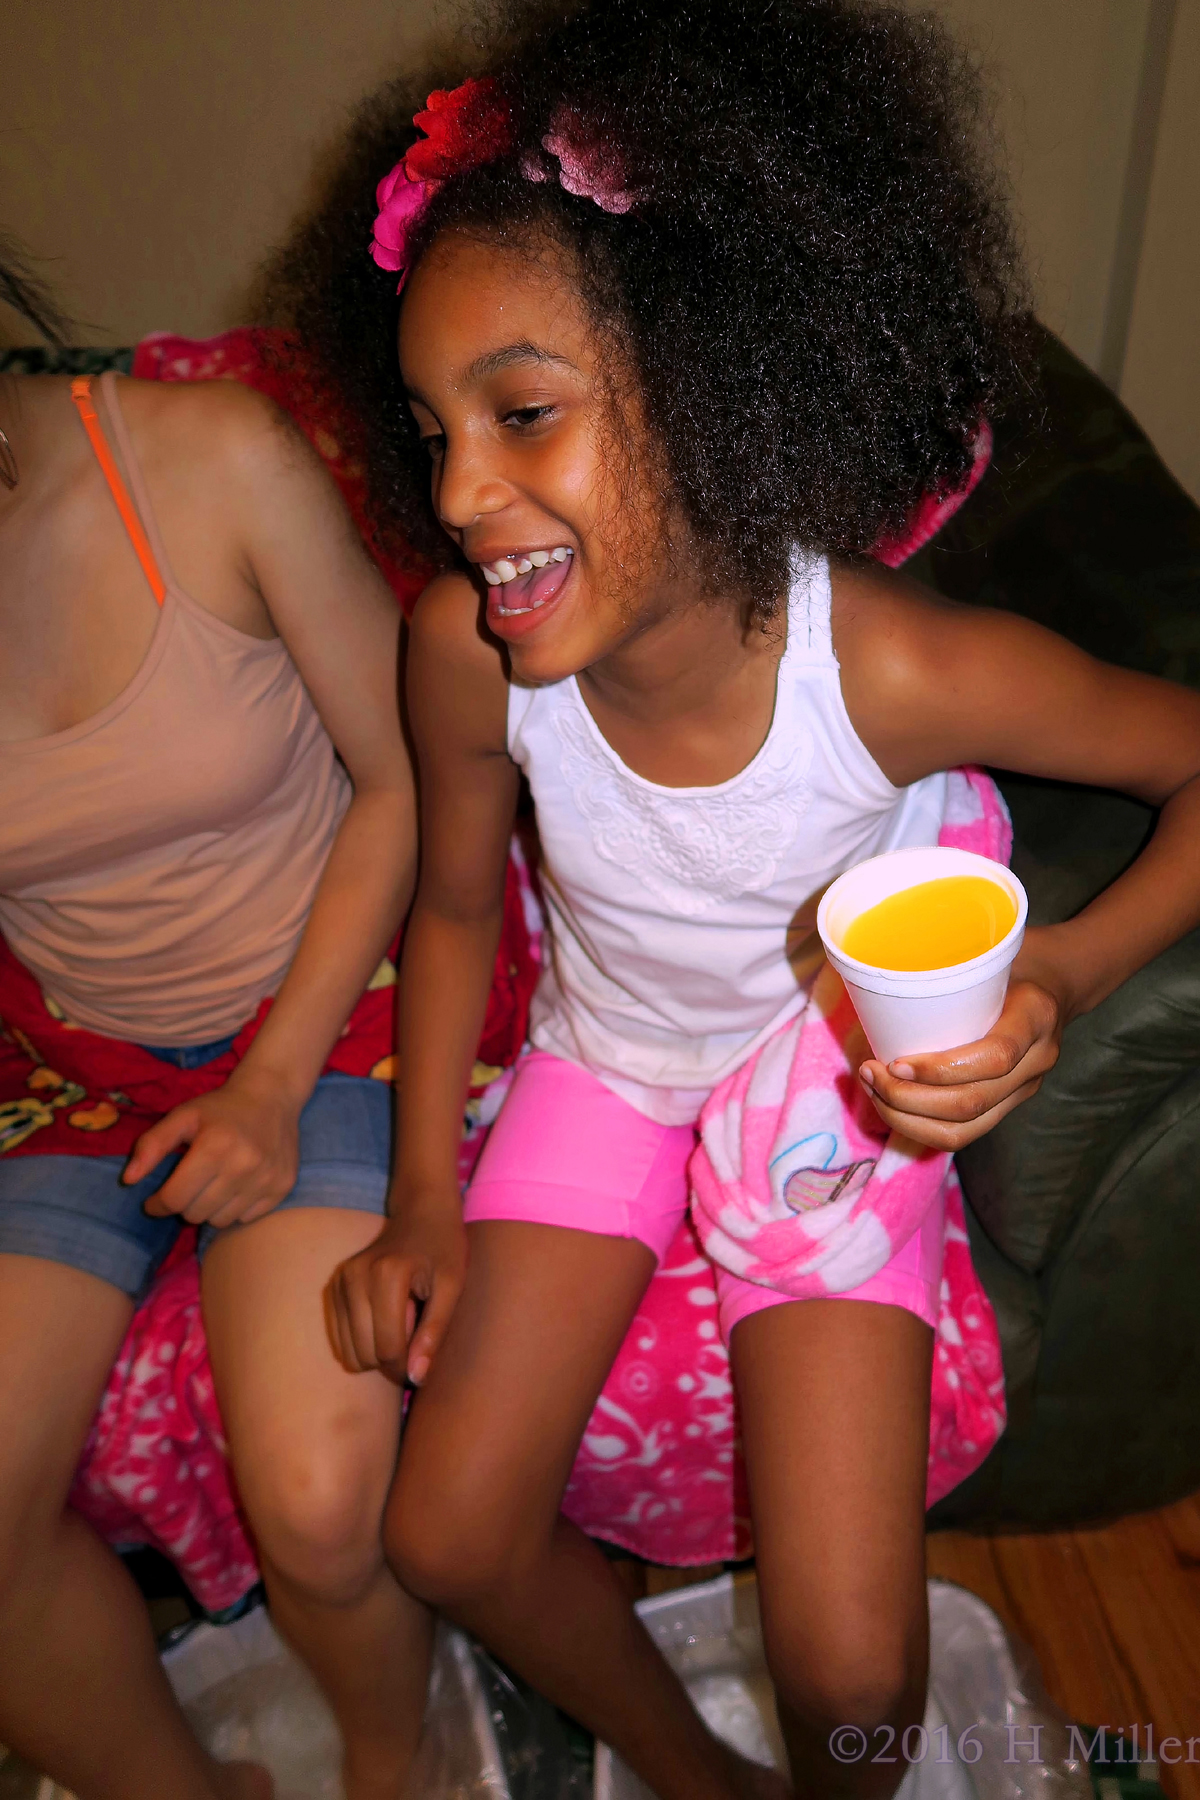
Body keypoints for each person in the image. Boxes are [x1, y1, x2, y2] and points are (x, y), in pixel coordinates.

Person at [302, 2, 1200, 1796]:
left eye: (524, 414)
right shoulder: (467, 658)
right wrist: (419, 1203)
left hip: (831, 1073)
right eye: (429, 432)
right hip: (613, 1055)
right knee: (450, 1532)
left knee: (851, 1659)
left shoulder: (890, 664)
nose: (462, 499)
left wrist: (1067, 976)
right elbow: (463, 912)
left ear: (722, 387)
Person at [0, 243, 431, 1800]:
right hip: (64, 1065)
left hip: (320, 1005)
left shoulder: (209, 461)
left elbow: (408, 779)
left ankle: (398, 1758)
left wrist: (269, 1083)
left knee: (318, 1499)